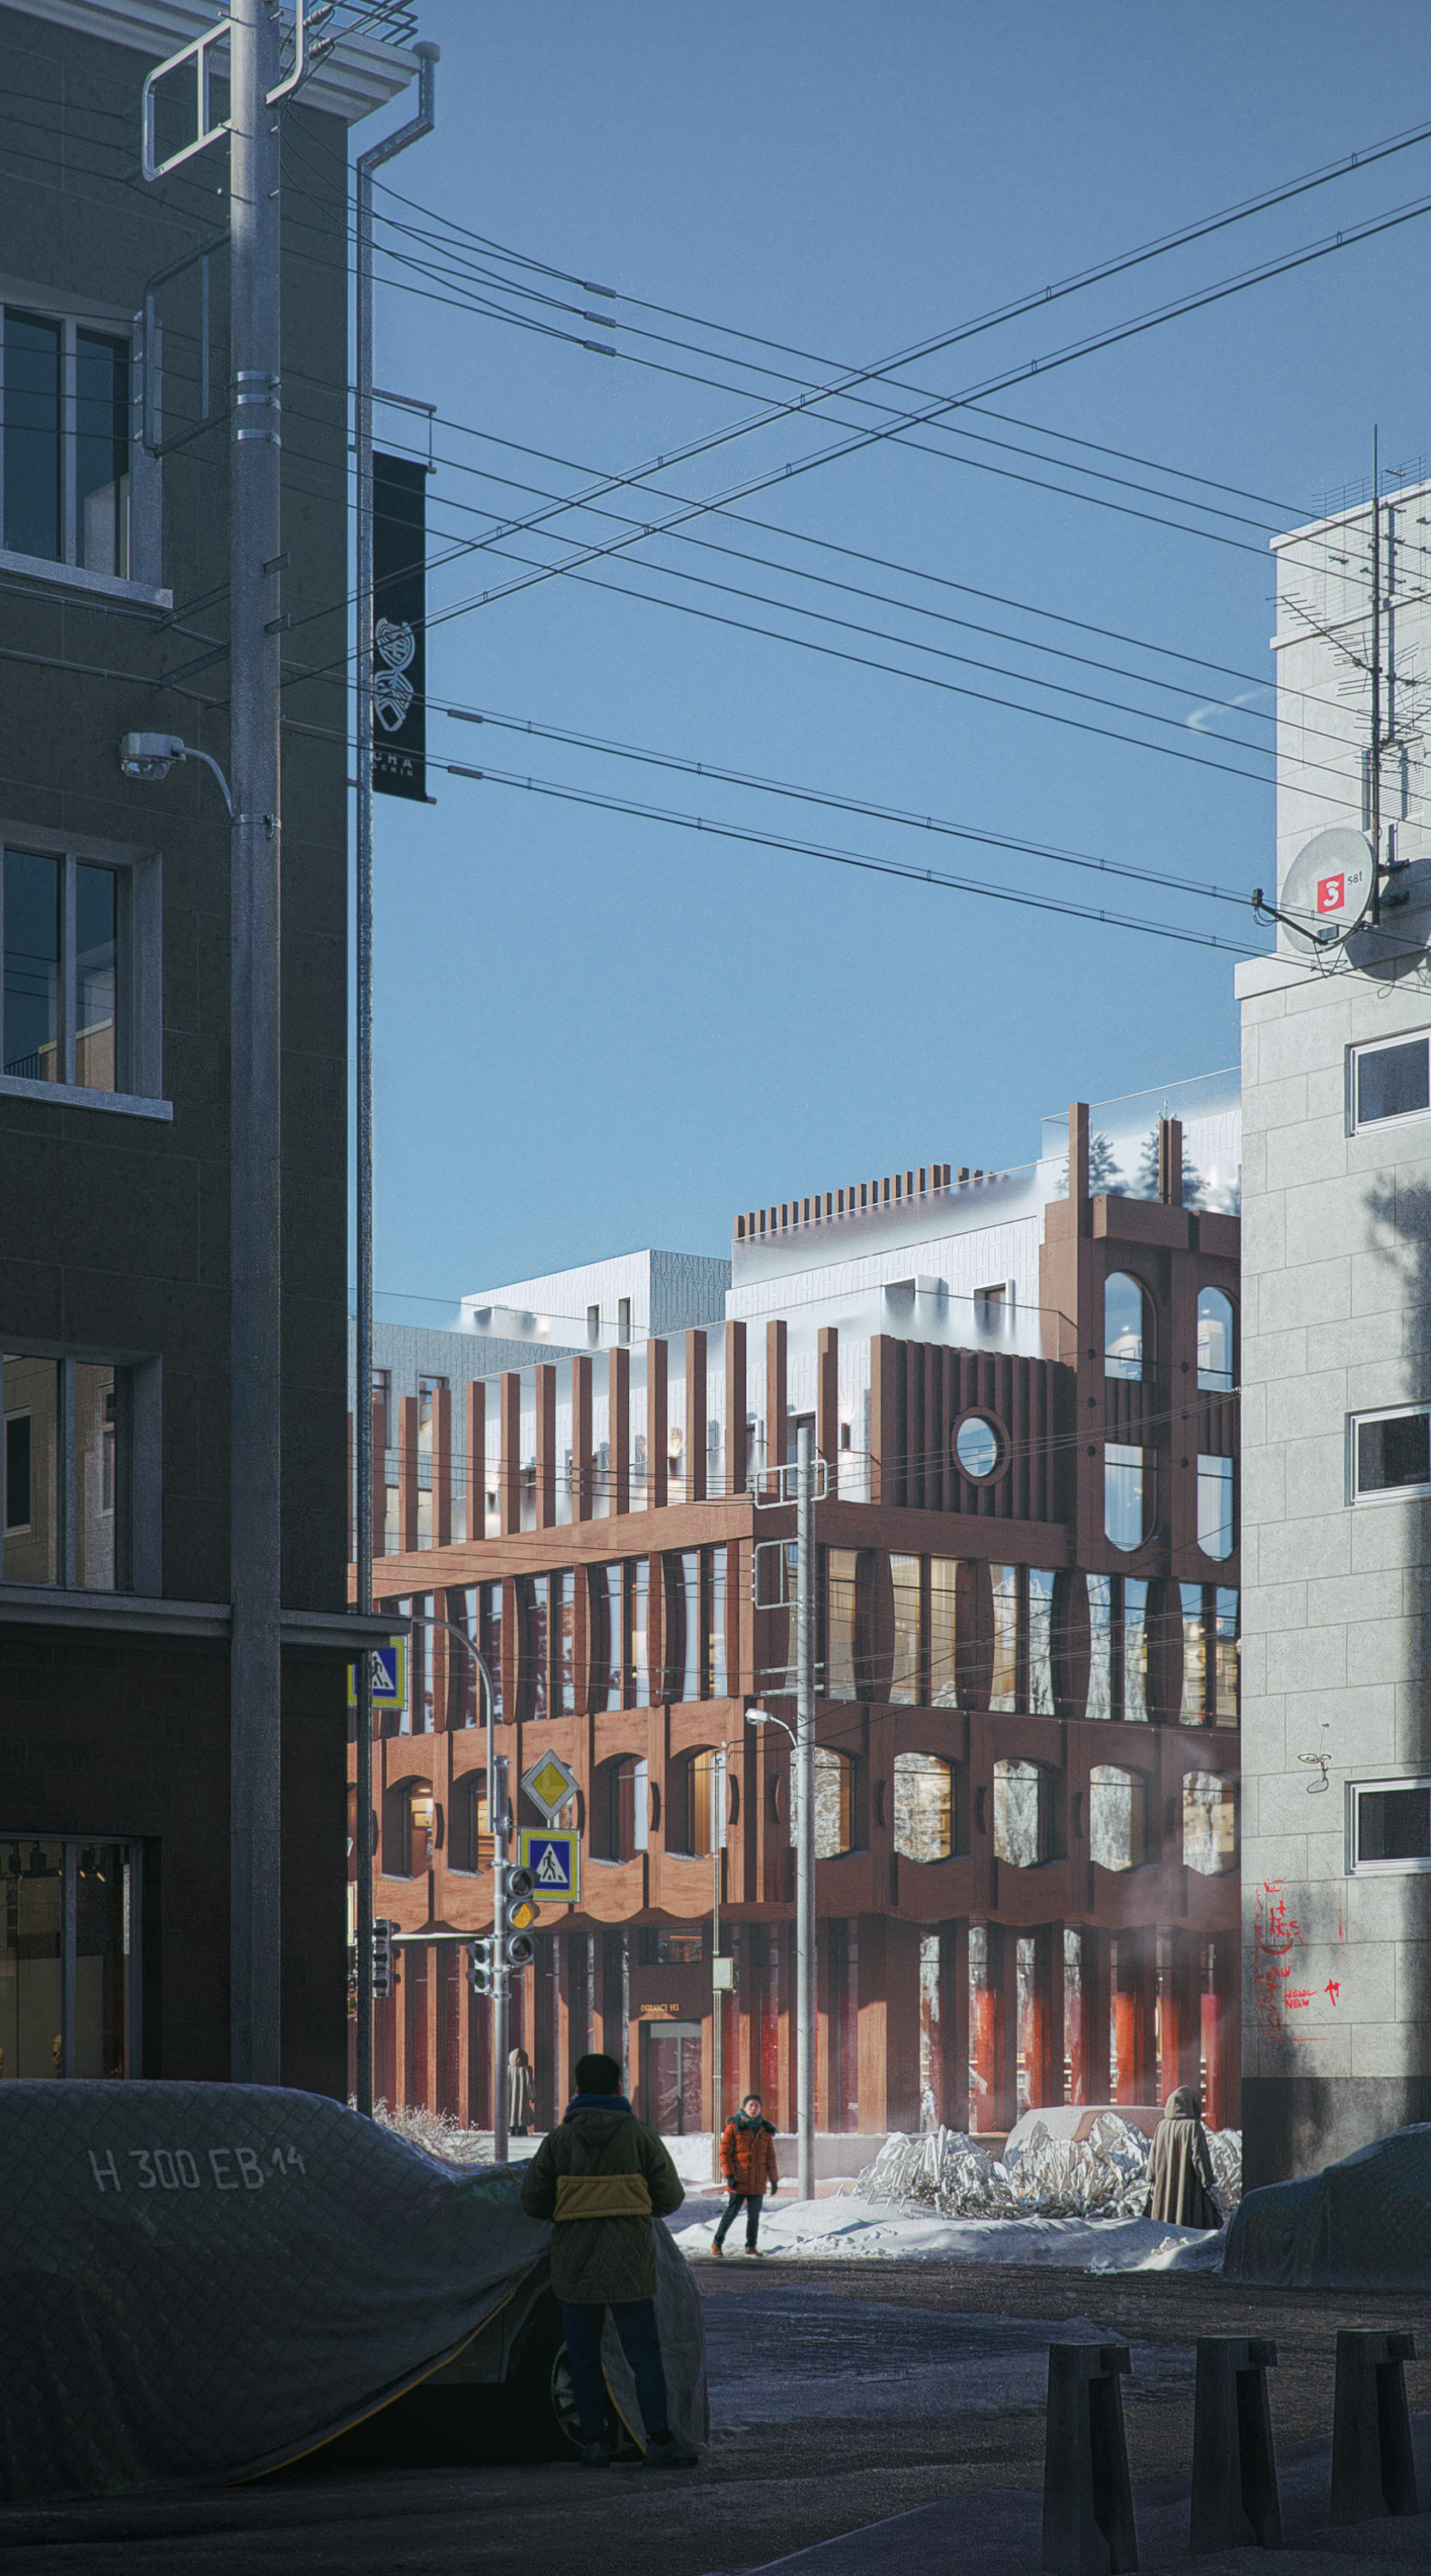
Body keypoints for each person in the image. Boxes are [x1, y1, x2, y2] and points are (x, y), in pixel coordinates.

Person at [520, 2051, 698, 2470]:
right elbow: (670, 2197)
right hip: (630, 2264)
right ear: (618, 2088)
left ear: (577, 2090)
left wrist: (568, 2210)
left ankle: (595, 2444)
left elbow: (532, 2200)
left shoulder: (559, 2140)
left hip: (575, 2266)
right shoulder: (639, 2136)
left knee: (582, 2356)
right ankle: (658, 2440)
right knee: (643, 2354)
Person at [712, 2093, 779, 2257]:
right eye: (751, 2105)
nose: (754, 2108)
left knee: (754, 2217)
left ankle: (751, 2247)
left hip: (758, 2181)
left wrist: (774, 2179)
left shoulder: (765, 2129)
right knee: (731, 2213)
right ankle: (717, 2243)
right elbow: (724, 2154)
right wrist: (730, 2176)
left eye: (757, 2105)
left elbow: (770, 2157)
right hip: (739, 2179)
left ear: (760, 2108)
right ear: (744, 2107)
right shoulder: (734, 2126)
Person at [1145, 2084, 1222, 2228]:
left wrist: (1151, 2177)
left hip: (1163, 2186)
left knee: (1164, 2223)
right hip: (1187, 2186)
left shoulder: (1161, 2126)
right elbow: (1199, 2158)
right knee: (1187, 2221)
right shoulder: (1193, 2126)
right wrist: (1208, 2182)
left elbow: (1153, 2156)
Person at [508, 2044, 535, 2137]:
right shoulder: (526, 2070)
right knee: (521, 2114)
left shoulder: (508, 2069)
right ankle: (521, 2131)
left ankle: (512, 2131)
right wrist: (532, 2096)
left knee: (512, 2113)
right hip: (522, 2098)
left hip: (510, 2098)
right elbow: (529, 2084)